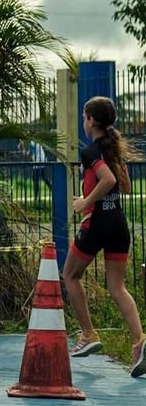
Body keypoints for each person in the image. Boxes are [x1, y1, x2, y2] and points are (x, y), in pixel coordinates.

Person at [63, 96, 145, 377]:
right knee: (117, 288)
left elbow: (109, 181)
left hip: (97, 223)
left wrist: (85, 203)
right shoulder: (111, 151)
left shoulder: (90, 152)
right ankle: (140, 342)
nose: (83, 122)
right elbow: (125, 187)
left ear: (92, 121)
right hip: (118, 224)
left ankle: (88, 335)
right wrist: (90, 195)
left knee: (70, 275)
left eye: (85, 117)